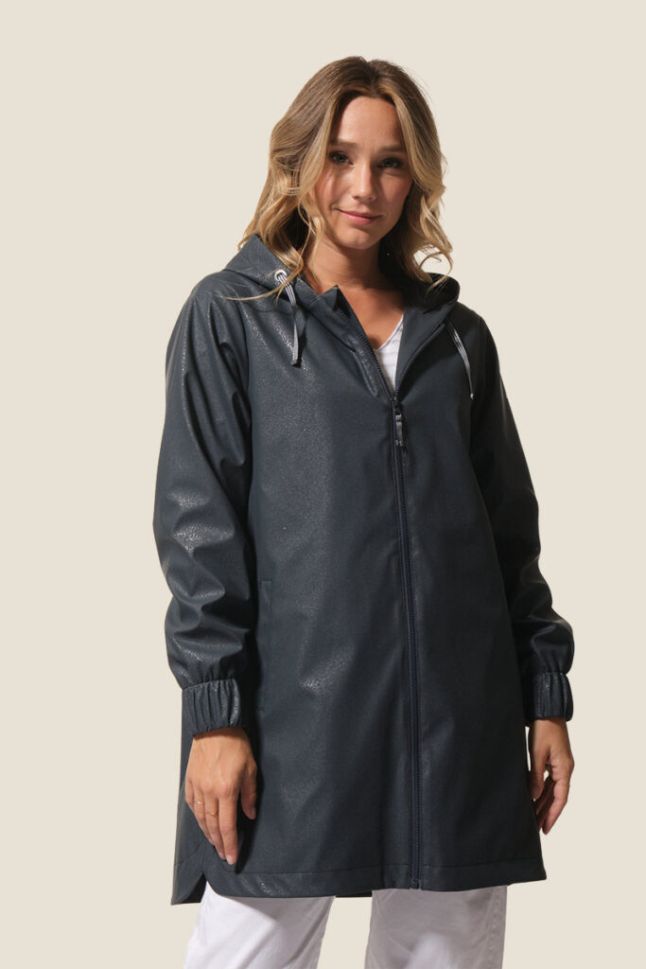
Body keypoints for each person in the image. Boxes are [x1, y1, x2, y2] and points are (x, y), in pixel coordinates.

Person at [152, 56, 576, 969]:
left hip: (457, 724)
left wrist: (545, 693)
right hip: (294, 725)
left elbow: (509, 536)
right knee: (244, 950)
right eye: (340, 157)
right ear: (300, 162)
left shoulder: (459, 339)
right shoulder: (232, 316)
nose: (364, 187)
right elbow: (199, 530)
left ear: (415, 179)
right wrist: (216, 715)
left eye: (390, 164)